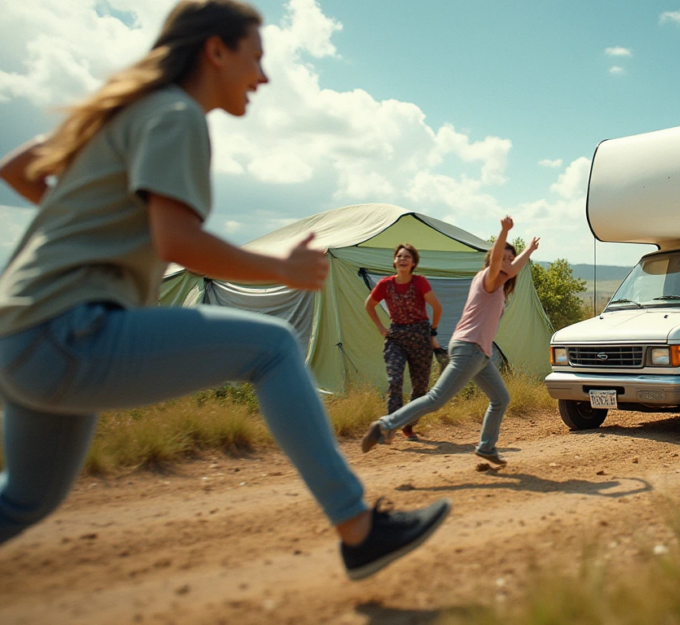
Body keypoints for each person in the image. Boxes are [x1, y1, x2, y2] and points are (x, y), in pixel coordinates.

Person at [0, 0, 448, 580]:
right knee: (273, 347)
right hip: (67, 329)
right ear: (216, 50)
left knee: (26, 501)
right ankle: (358, 528)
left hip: (20, 331)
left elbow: (18, 169)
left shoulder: (126, 113)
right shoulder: (175, 114)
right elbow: (177, 240)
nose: (263, 77)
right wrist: (281, 269)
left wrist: (101, 231)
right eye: (256, 58)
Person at [362, 217, 540, 466]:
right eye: (503, 259)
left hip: (480, 354)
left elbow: (510, 268)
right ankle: (385, 424)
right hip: (469, 349)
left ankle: (486, 447)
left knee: (501, 399)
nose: (508, 264)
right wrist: (503, 232)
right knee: (436, 399)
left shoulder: (497, 287)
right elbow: (501, 262)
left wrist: (529, 251)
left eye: (511, 260)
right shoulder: (487, 279)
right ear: (493, 261)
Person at [365, 243, 442, 440]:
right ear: (394, 261)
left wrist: (432, 333)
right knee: (395, 380)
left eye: (407, 257)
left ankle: (408, 426)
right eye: (399, 256)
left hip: (420, 336)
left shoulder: (420, 282)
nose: (402, 259)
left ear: (413, 263)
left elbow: (437, 307)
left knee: (420, 387)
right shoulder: (385, 284)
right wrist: (381, 328)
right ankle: (389, 427)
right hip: (396, 337)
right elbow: (369, 305)